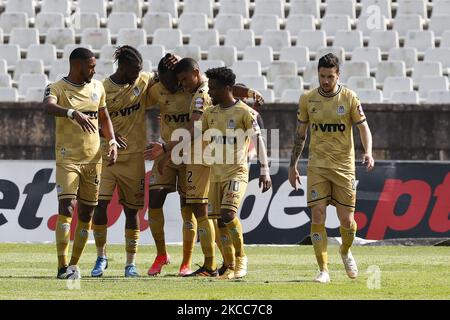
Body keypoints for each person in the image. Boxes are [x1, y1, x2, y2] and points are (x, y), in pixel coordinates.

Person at [288, 53, 375, 283]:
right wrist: (293, 165)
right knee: (318, 214)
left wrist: (368, 152)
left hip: (344, 167)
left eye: (330, 76)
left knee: (346, 221)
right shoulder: (308, 99)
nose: (325, 81)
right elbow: (300, 135)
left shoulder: (348, 98)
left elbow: (363, 128)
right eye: (322, 76)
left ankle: (345, 250)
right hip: (317, 166)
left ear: (338, 75)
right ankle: (323, 270)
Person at [43, 47, 118, 280]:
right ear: (77, 65)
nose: (94, 71)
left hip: (94, 159)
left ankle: (73, 266)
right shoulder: (57, 87)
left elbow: (104, 118)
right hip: (68, 158)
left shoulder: (97, 87)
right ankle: (61, 266)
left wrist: (112, 140)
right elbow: (47, 105)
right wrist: (72, 113)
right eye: (91, 66)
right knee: (67, 207)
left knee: (87, 213)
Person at [90, 46, 157, 278]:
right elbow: (88, 118)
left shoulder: (142, 79)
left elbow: (164, 76)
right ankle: (101, 257)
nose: (137, 74)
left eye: (140, 69)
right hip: (106, 157)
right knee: (99, 207)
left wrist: (173, 61)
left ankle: (130, 264)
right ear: (122, 66)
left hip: (134, 159)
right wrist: (108, 134)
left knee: (132, 211)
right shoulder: (102, 88)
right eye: (133, 70)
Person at [201, 67, 272, 279]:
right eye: (209, 88)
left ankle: (241, 258)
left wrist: (264, 170)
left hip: (237, 172)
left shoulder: (244, 112)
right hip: (216, 174)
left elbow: (258, 140)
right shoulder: (209, 114)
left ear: (227, 88)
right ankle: (229, 265)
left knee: (228, 214)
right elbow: (201, 139)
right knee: (219, 221)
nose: (210, 92)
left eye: (213, 88)